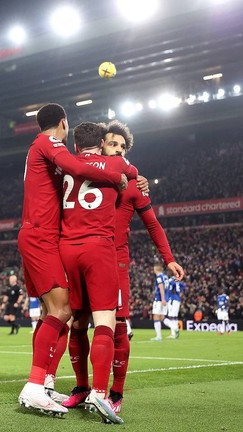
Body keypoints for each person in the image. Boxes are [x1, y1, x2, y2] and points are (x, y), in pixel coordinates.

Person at [17, 103, 131, 417]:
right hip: (43, 235)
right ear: (63, 124)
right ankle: (37, 384)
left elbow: (74, 168)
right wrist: (122, 171)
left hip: (53, 239)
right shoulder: (48, 143)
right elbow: (81, 169)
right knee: (62, 310)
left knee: (54, 313)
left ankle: (43, 380)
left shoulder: (53, 154)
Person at [95, 120, 184, 413]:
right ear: (101, 146)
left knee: (119, 326)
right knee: (79, 324)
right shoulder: (86, 176)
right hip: (84, 258)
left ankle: (116, 394)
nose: (118, 149)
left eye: (123, 146)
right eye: (112, 144)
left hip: (116, 262)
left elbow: (153, 225)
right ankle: (82, 388)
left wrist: (168, 258)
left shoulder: (133, 186)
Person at [58, 121, 137, 424]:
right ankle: (100, 393)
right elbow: (131, 172)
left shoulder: (64, 164)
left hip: (67, 250)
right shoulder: (114, 162)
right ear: (102, 142)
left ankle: (78, 385)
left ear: (76, 145)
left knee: (77, 321)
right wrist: (135, 177)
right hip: (99, 249)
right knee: (106, 320)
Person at [151, 263, 171, 341]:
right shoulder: (165, 276)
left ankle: (158, 336)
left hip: (159, 299)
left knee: (156, 316)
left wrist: (162, 299)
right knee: (162, 317)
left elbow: (161, 288)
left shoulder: (159, 277)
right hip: (166, 299)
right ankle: (174, 327)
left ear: (156, 269)